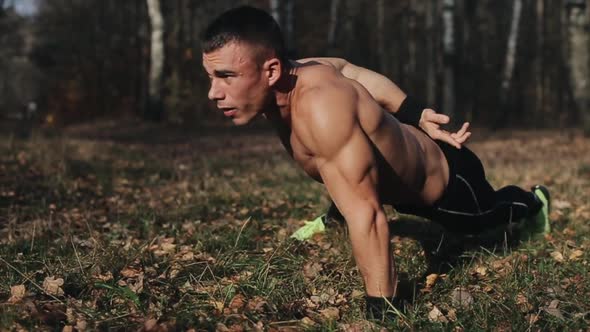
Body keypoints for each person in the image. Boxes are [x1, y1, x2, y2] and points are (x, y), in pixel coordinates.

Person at [200, 6, 550, 321]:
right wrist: (414, 112)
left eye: (226, 76)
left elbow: (367, 215)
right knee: (348, 178)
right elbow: (348, 68)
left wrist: (382, 309)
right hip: (386, 172)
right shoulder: (304, 72)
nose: (214, 92)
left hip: (446, 182)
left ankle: (533, 202)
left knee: (479, 223)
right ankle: (334, 213)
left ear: (271, 70)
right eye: (212, 77)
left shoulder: (321, 108)